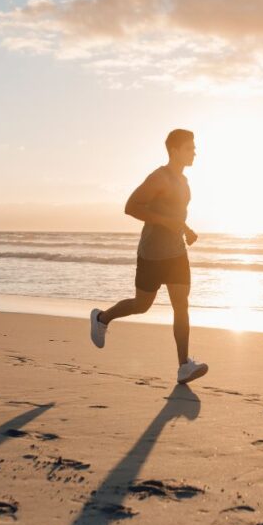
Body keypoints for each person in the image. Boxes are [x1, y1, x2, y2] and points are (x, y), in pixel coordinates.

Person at [89, 129, 208, 385]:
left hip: (176, 252)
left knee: (181, 305)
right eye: (189, 148)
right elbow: (131, 207)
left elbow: (175, 214)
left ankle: (183, 366)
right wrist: (166, 222)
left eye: (194, 147)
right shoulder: (159, 178)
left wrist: (186, 230)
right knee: (142, 306)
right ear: (174, 150)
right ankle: (102, 318)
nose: (195, 152)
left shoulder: (184, 182)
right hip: (152, 253)